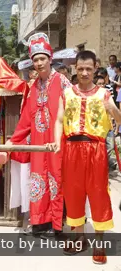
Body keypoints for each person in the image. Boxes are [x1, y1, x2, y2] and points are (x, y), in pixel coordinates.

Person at [50, 50, 121, 264]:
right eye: (80, 68)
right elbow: (60, 121)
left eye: (88, 69)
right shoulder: (67, 93)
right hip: (71, 149)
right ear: (75, 69)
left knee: (99, 194)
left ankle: (99, 241)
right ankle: (78, 236)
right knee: (73, 194)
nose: (84, 72)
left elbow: (119, 119)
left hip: (96, 149)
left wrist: (113, 109)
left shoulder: (105, 94)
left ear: (95, 68)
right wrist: (56, 141)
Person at [0, 33, 71, 238]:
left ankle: (58, 226)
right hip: (38, 144)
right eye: (35, 60)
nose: (39, 63)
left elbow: (72, 113)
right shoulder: (32, 88)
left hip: (58, 142)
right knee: (38, 181)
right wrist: (14, 141)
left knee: (56, 181)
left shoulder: (63, 82)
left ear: (50, 58)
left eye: (42, 58)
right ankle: (39, 223)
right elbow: (25, 120)